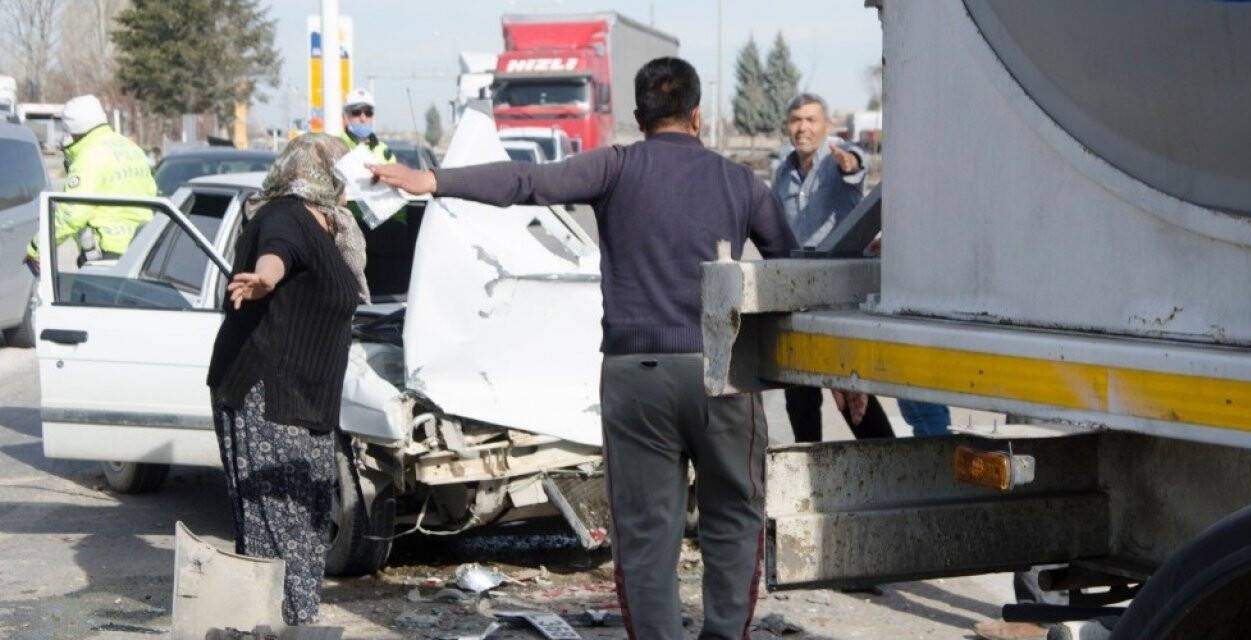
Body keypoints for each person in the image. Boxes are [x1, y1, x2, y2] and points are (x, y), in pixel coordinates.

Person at [372, 57, 794, 640]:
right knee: (734, 518)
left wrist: (434, 181)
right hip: (722, 373)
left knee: (645, 535)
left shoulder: (615, 167)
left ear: (639, 118)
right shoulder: (742, 182)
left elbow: (526, 182)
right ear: (697, 115)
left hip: (634, 376)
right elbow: (792, 273)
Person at [205, 133, 369, 625]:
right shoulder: (285, 214)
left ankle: (280, 625)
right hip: (267, 393)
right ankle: (281, 628)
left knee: (310, 519)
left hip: (308, 396)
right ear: (323, 173)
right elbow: (277, 252)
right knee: (279, 526)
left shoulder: (333, 225)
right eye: (345, 167)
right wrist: (265, 278)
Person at [773, 92, 950, 440]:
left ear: (827, 125)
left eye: (811, 120)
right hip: (797, 296)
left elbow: (855, 164)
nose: (802, 127)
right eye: (796, 120)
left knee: (852, 397)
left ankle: (881, 457)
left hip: (837, 297)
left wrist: (849, 165)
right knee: (799, 395)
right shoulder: (783, 172)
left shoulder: (838, 159)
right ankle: (807, 465)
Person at [25, 94, 156, 269]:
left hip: (106, 255)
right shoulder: (132, 149)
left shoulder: (89, 157)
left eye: (67, 130)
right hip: (143, 249)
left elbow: (72, 213)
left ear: (75, 129)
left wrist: (36, 247)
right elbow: (152, 193)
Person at [340, 88, 393, 164]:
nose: (363, 118)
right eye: (356, 112)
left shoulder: (384, 150)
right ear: (345, 117)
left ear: (373, 117)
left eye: (368, 113)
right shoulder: (333, 146)